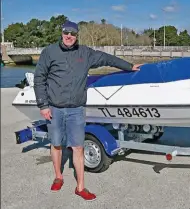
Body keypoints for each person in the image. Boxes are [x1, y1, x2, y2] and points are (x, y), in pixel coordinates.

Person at [33, 20, 143, 201]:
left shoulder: (85, 53)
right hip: (55, 108)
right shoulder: (49, 52)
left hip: (76, 109)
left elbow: (108, 58)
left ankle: (80, 186)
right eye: (66, 33)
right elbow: (39, 79)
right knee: (56, 144)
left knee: (77, 147)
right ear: (61, 33)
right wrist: (43, 105)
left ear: (77, 36)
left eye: (73, 34)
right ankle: (58, 177)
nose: (69, 36)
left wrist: (129, 66)